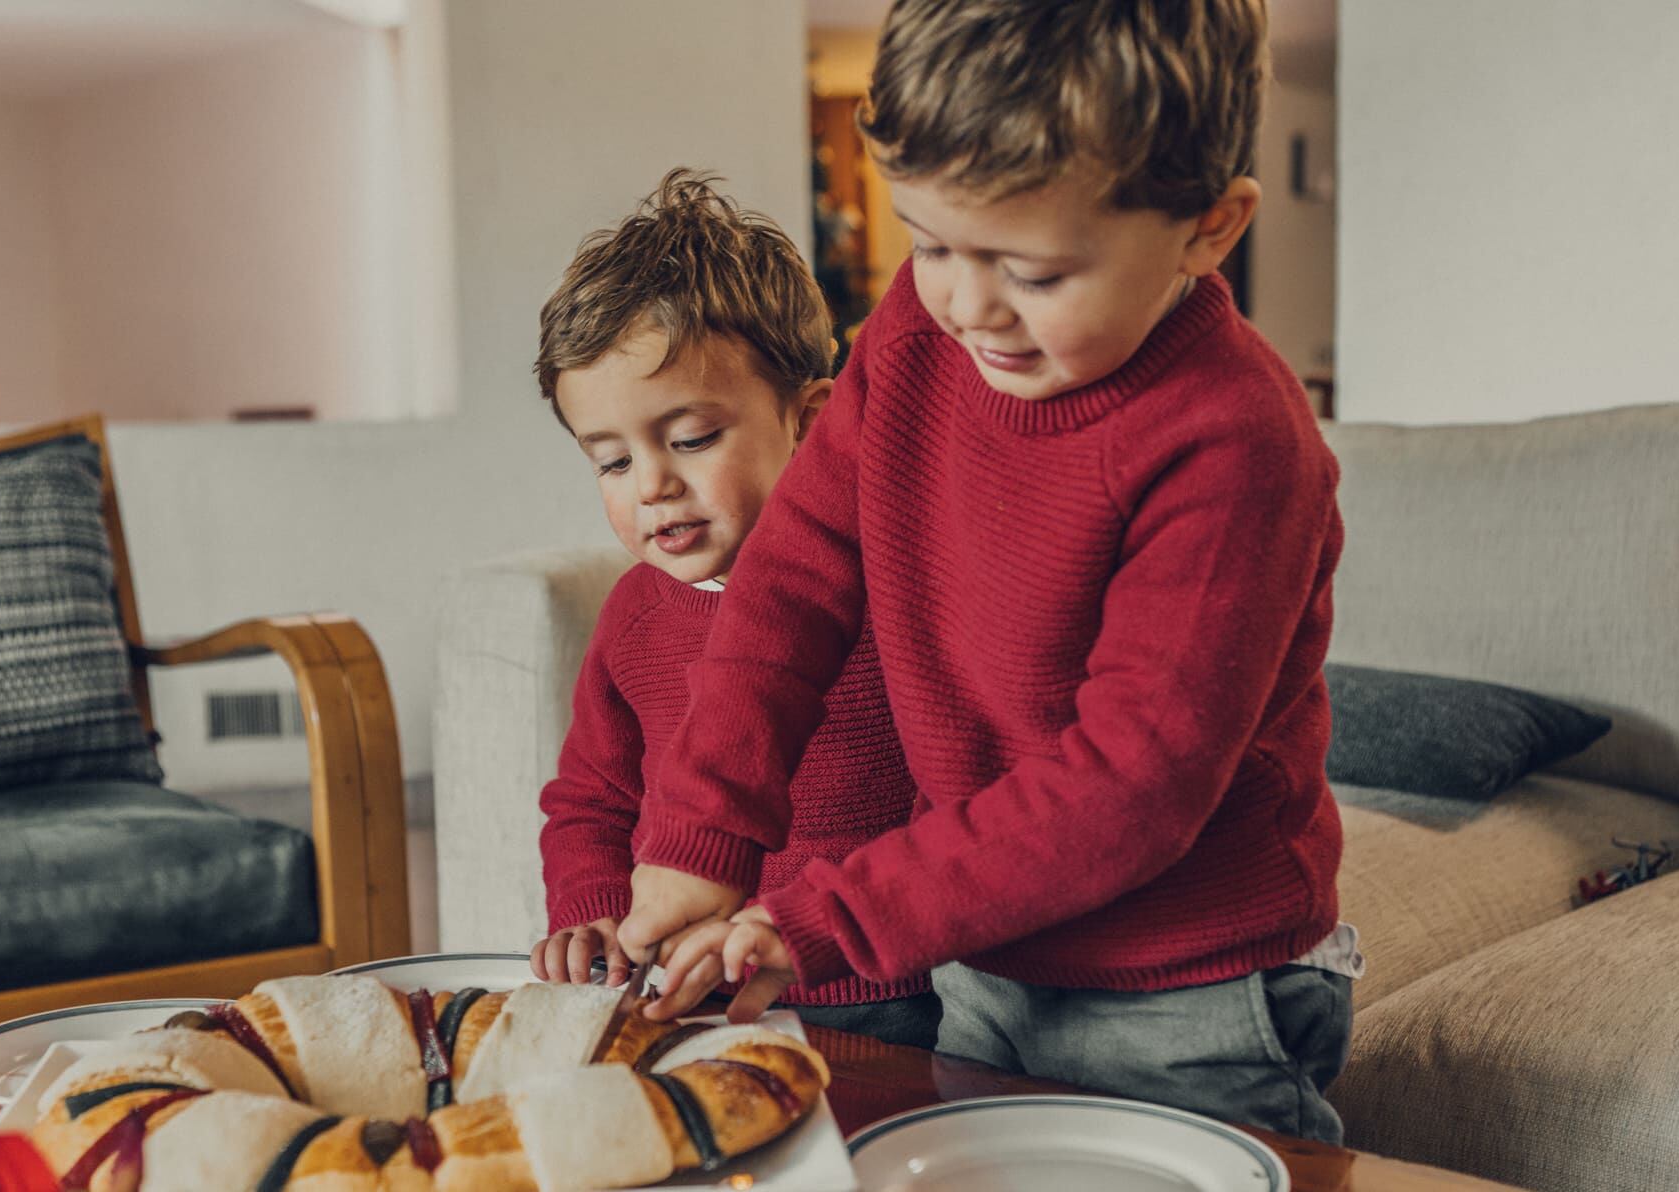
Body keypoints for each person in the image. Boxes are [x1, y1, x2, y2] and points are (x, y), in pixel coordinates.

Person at [618, 0, 1361, 1143]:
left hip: (1186, 988)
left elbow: (1127, 787)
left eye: (1031, 269)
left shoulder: (1235, 440)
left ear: (1209, 229)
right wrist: (695, 833)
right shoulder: (911, 339)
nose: (965, 304)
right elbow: (791, 584)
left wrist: (832, 914)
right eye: (928, 241)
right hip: (979, 948)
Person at [527, 169, 940, 1048]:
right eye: (611, 461)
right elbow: (591, 800)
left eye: (691, 439)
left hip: (885, 986)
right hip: (688, 992)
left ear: (813, 422)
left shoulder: (894, 587)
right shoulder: (634, 618)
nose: (654, 486)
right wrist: (594, 914)